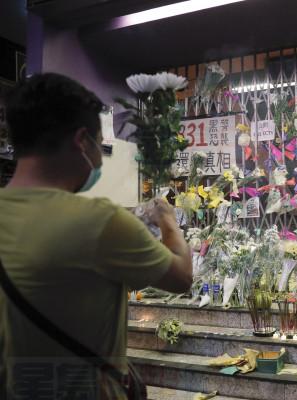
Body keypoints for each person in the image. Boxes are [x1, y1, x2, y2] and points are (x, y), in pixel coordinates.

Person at [0, 73, 192, 399]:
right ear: (82, 142)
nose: (99, 158)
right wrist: (167, 219)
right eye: (99, 144)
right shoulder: (100, 222)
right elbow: (181, 277)